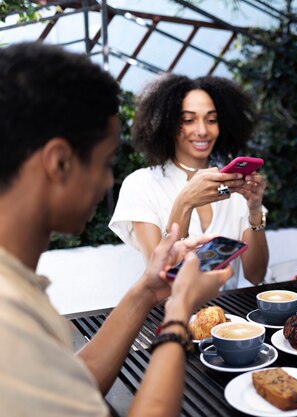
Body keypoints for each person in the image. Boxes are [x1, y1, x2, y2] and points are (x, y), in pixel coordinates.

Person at [0, 41, 233, 415]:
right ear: (59, 162)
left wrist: (147, 290)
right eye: (107, 162)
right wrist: (178, 314)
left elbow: (79, 382)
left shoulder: (17, 289)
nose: (109, 182)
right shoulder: (7, 321)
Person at [109, 73, 268, 289]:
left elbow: (256, 275)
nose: (202, 130)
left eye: (211, 120)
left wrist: (255, 211)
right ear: (167, 124)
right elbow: (161, 277)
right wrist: (184, 204)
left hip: (228, 320)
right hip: (170, 317)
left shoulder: (235, 189)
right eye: (188, 120)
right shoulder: (141, 185)